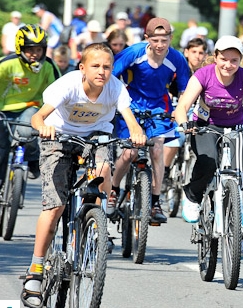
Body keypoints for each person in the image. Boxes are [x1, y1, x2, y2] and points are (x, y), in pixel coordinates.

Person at [20, 43, 146, 308]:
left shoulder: (115, 88)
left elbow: (128, 117)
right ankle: (36, 268)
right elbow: (39, 117)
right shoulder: (68, 85)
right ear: (82, 69)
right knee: (55, 207)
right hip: (60, 137)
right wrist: (43, 127)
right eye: (96, 66)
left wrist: (136, 132)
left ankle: (95, 225)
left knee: (103, 169)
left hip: (96, 137)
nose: (102, 71)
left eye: (107, 67)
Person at [174, 35, 243, 260]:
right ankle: (192, 195)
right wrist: (184, 123)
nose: (228, 65)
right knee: (208, 162)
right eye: (224, 59)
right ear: (216, 57)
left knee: (242, 179)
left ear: (240, 61)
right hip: (204, 127)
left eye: (234, 60)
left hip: (235, 128)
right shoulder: (204, 74)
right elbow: (183, 106)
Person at [110, 18, 190, 224]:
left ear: (171, 38)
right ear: (147, 38)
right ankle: (113, 190)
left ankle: (154, 201)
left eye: (165, 40)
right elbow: (111, 76)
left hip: (159, 107)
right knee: (130, 152)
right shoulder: (134, 53)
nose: (160, 45)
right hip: (132, 104)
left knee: (157, 148)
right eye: (155, 40)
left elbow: (185, 90)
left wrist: (179, 111)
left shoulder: (177, 59)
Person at [0, 25, 60, 184]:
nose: (35, 54)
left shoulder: (48, 66)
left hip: (30, 107)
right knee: (1, 147)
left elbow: (59, 91)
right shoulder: (6, 64)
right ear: (20, 48)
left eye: (39, 50)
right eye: (30, 50)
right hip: (3, 110)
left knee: (27, 132)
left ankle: (33, 158)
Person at [163, 37, 207, 181]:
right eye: (194, 51)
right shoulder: (178, 70)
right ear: (186, 52)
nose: (197, 55)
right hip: (176, 107)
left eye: (201, 52)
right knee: (177, 136)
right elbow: (166, 87)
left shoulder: (206, 72)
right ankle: (164, 170)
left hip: (197, 110)